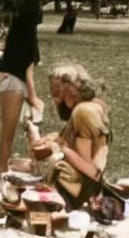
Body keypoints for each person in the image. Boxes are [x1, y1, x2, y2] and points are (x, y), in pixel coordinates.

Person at [38, 64, 111, 210]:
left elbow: (90, 171)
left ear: (70, 87)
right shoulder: (95, 105)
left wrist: (60, 148)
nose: (53, 95)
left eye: (56, 88)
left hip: (76, 192)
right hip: (80, 188)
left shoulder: (83, 112)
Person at [0, 0, 44, 180]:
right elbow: (28, 69)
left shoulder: (19, 27)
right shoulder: (26, 30)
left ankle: (31, 168)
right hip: (15, 83)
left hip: (15, 82)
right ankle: (1, 173)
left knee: (26, 130)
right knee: (8, 134)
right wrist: (33, 98)